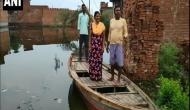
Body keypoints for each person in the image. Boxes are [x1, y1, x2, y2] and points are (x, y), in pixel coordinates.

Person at [106, 6, 128, 82]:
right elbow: (109, 33)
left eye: (119, 10)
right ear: (114, 12)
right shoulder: (111, 21)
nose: (118, 11)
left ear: (120, 12)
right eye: (116, 10)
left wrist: (125, 37)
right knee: (112, 62)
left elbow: (126, 32)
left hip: (119, 44)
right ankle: (112, 77)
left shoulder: (123, 21)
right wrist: (107, 44)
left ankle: (118, 79)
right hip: (112, 44)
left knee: (120, 62)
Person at [89, 11, 105, 81]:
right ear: (94, 17)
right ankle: (93, 76)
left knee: (99, 61)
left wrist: (103, 47)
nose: (98, 17)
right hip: (93, 45)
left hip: (99, 45)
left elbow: (104, 37)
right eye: (96, 16)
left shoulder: (102, 25)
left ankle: (98, 77)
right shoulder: (91, 24)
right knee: (93, 61)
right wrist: (89, 46)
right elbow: (90, 36)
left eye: (99, 16)